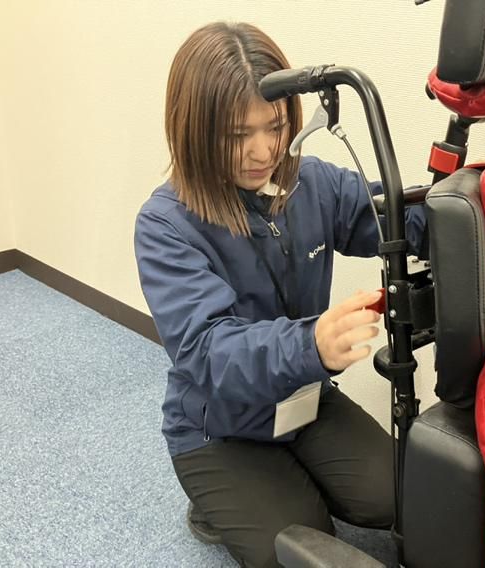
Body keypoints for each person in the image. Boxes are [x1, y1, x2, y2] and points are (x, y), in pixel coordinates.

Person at [134, 22, 426, 568]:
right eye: (236, 135)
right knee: (293, 545)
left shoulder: (311, 182)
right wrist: (311, 345)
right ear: (194, 131)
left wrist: (464, 208)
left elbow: (391, 218)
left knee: (398, 496)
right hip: (220, 425)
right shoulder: (165, 224)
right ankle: (214, 500)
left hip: (304, 397)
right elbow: (208, 351)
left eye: (274, 126)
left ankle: (285, 478)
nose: (263, 150)